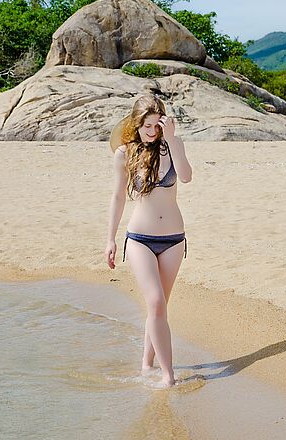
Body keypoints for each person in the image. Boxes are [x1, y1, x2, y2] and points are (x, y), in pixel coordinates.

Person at [104, 94, 193, 388]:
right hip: (139, 238)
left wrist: (173, 140)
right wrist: (111, 240)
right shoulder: (125, 154)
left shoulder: (173, 146)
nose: (152, 132)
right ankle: (168, 376)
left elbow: (187, 176)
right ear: (137, 124)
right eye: (147, 126)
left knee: (159, 307)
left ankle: (146, 365)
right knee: (155, 302)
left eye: (157, 125)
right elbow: (118, 197)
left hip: (172, 240)